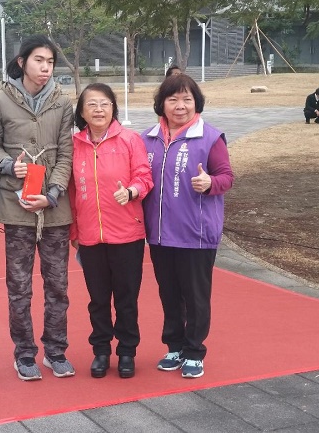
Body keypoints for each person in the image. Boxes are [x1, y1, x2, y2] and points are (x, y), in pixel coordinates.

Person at [0, 34, 75, 381]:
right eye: (39, 60)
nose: (45, 68)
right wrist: (9, 165)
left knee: (58, 286)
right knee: (19, 287)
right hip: (16, 205)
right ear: (22, 62)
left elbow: (66, 153)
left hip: (54, 208)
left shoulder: (62, 102)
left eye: (50, 62)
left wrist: (53, 193)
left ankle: (56, 350)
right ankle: (24, 354)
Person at [141, 74, 234, 379]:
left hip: (196, 235)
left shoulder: (210, 137)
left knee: (195, 297)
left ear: (197, 103)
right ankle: (175, 347)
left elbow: (227, 177)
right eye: (173, 99)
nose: (180, 106)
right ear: (162, 104)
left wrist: (210, 183)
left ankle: (194, 351)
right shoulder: (147, 139)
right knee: (169, 295)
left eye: (187, 99)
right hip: (159, 234)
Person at [69, 83, 153, 379]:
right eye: (91, 104)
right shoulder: (74, 145)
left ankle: (127, 351)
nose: (99, 110)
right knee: (98, 299)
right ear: (82, 112)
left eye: (105, 104)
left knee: (126, 298)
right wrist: (75, 232)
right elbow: (71, 193)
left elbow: (145, 176)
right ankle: (101, 351)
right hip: (90, 236)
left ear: (113, 109)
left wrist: (131, 191)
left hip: (127, 234)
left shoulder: (130, 140)